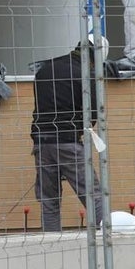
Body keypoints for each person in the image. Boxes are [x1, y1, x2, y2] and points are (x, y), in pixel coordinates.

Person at [30, 34, 105, 232]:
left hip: (42, 142)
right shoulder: (85, 74)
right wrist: (80, 130)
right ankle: (108, 236)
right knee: (92, 194)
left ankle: (51, 242)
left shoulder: (44, 70)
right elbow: (94, 113)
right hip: (68, 141)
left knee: (49, 200)